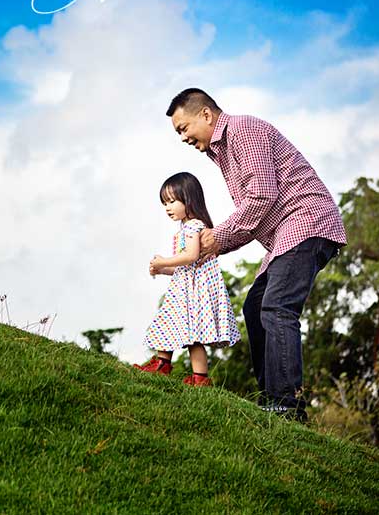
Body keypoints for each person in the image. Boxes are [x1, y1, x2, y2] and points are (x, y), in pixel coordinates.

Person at [165, 88, 346, 421]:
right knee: (255, 305)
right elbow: (253, 218)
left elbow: (261, 198)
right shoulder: (222, 153)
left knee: (277, 305)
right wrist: (214, 247)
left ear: (206, 115)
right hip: (285, 235)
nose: (183, 137)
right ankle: (271, 402)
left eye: (183, 128)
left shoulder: (242, 131)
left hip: (307, 222)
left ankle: (286, 406)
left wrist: (215, 237)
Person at [134, 172, 240, 386]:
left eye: (172, 201)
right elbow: (187, 267)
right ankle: (197, 377)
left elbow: (190, 256)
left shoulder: (193, 226)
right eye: (164, 203)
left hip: (190, 294)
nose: (167, 207)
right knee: (187, 333)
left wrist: (164, 261)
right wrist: (163, 270)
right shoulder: (187, 227)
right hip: (187, 288)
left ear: (188, 199)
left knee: (171, 324)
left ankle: (164, 364)